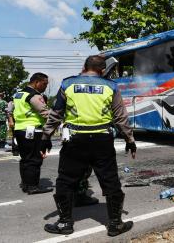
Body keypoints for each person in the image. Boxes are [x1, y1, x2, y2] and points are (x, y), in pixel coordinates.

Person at [41, 55, 137, 236]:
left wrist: (46, 136)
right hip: (102, 141)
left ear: (84, 67)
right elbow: (120, 117)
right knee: (110, 180)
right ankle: (115, 224)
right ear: (103, 70)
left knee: (66, 181)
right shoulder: (110, 86)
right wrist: (129, 140)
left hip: (75, 141)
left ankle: (64, 223)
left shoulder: (68, 84)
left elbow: (56, 113)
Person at [11, 73, 53, 194]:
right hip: (33, 130)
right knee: (35, 159)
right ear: (36, 82)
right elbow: (45, 112)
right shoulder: (34, 95)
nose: (45, 87)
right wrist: (58, 116)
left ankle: (26, 184)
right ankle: (32, 186)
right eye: (44, 84)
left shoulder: (18, 94)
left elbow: (12, 109)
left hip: (20, 129)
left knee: (25, 158)